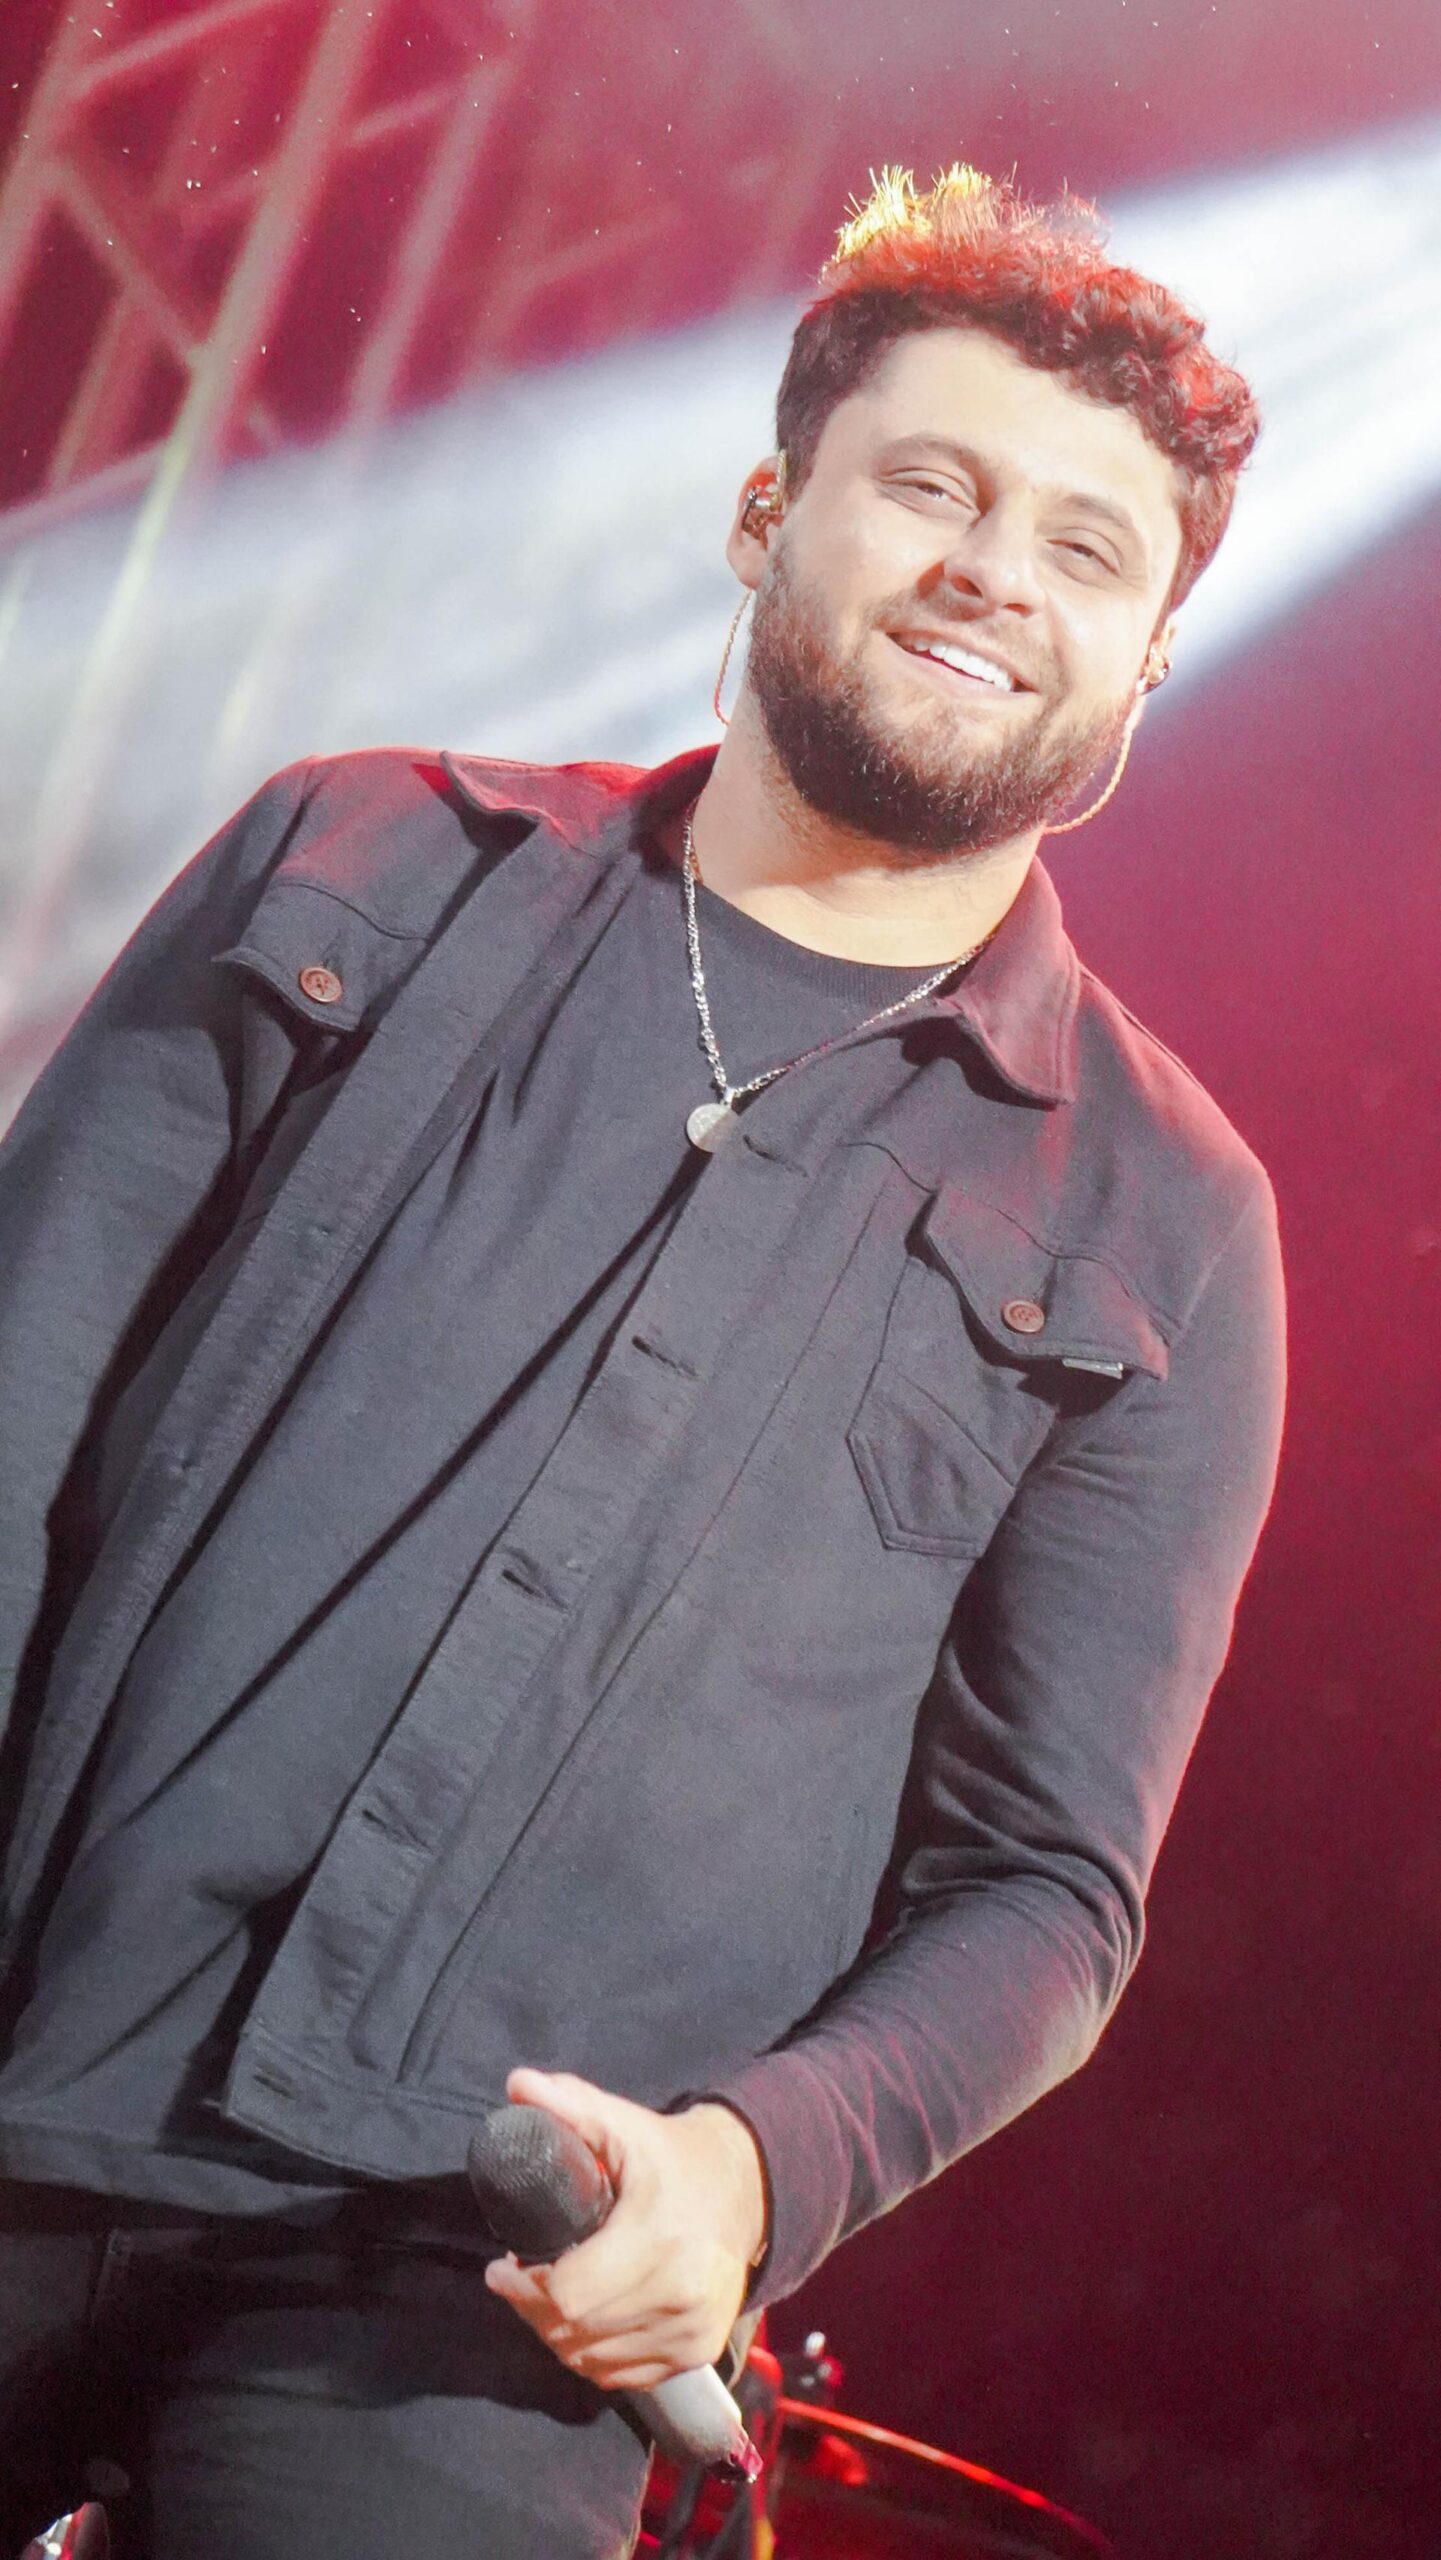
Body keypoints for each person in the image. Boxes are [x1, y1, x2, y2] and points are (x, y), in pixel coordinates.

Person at [0, 166, 1283, 2560]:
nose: (996, 570)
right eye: (932, 486)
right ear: (764, 514)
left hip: (473, 2288)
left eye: (1086, 548)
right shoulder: (355, 864)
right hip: (26, 2030)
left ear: (1139, 666)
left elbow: (1045, 1885)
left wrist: (748, 2167)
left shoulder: (1166, 1225)